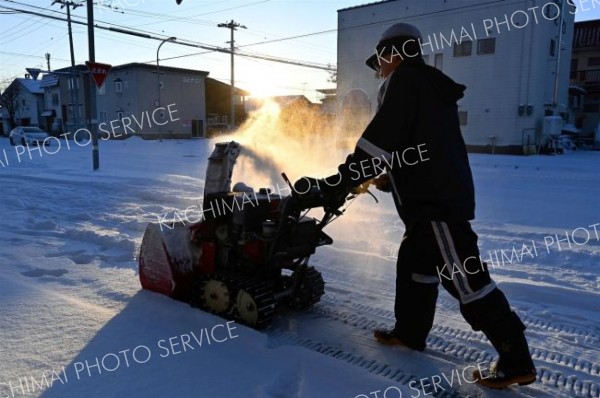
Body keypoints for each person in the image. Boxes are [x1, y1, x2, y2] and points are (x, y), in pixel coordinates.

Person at [297, 23, 536, 389]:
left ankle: (516, 360)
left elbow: (380, 140)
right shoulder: (426, 84)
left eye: (380, 60)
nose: (379, 68)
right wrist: (387, 178)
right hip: (430, 201)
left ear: (394, 52)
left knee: (467, 280)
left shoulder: (405, 80)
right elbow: (418, 145)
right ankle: (409, 334)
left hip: (436, 205)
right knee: (415, 269)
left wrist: (340, 180)